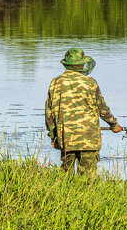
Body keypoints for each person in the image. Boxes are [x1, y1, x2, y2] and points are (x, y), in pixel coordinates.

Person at [45, 47, 122, 176]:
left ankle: (66, 195)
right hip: (89, 137)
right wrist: (114, 125)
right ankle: (86, 195)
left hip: (65, 136)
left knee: (65, 175)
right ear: (80, 65)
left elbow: (49, 112)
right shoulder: (90, 83)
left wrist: (53, 135)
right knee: (87, 176)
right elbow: (102, 108)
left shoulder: (56, 83)